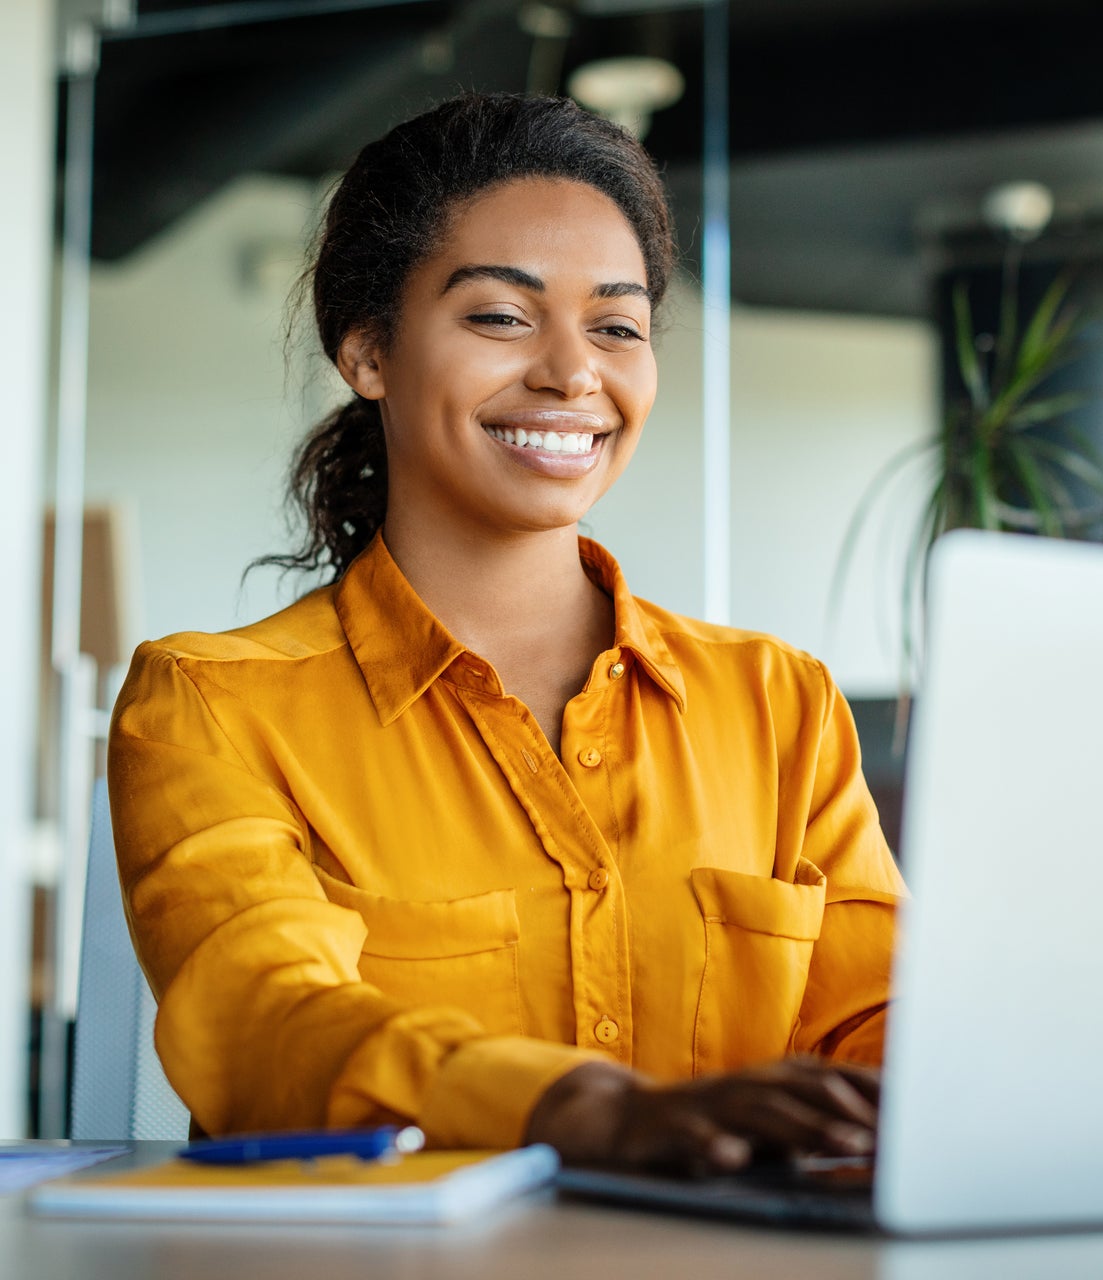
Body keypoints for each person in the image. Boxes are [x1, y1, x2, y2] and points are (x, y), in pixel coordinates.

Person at [108, 92, 906, 1173]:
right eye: (501, 315)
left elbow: (882, 1024)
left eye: (616, 326)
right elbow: (263, 1022)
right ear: (367, 351)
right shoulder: (210, 704)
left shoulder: (777, 704)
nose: (573, 372)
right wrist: (577, 1108)